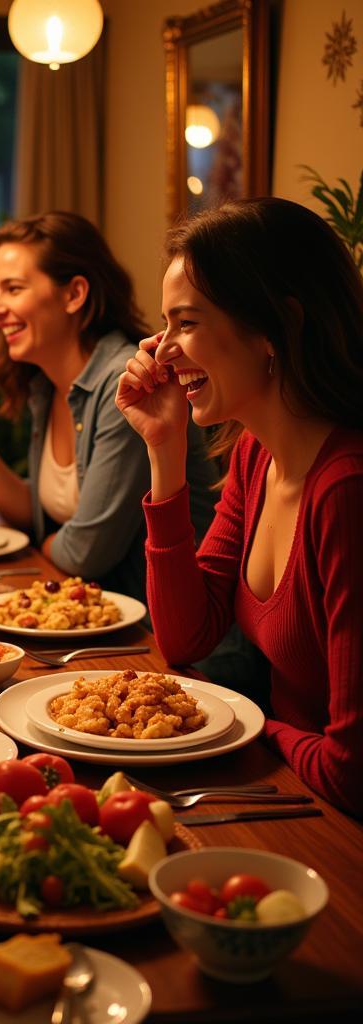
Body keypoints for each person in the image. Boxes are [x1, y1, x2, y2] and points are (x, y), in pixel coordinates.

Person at [115, 197, 363, 815]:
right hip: (293, 790)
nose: (162, 350)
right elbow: (185, 636)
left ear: (277, 325)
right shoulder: (256, 455)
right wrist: (165, 449)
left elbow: (353, 771)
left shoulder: (347, 492)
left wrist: (247, 721)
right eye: (164, 326)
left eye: (187, 323)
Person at [0, 212, 218, 598]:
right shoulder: (46, 385)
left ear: (74, 294)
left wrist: (48, 544)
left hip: (164, 637)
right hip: (100, 619)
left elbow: (86, 553)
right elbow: (40, 513)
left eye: (13, 288)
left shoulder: (126, 384)